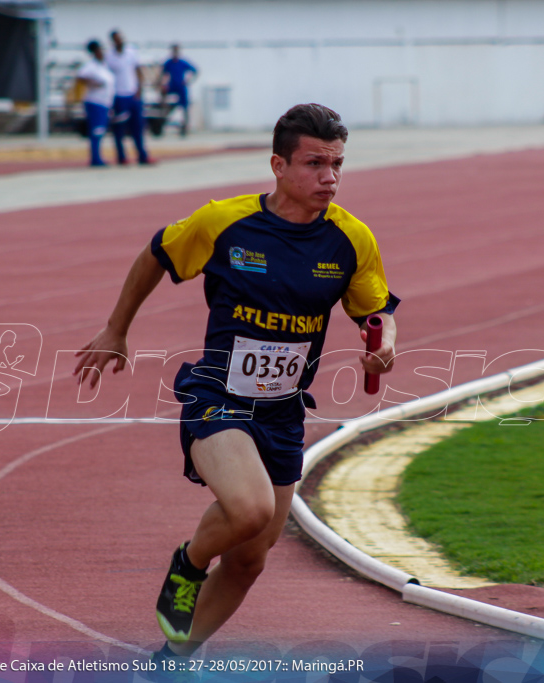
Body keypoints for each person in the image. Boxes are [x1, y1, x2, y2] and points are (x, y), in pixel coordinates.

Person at [73, 103, 399, 664]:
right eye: (314, 163)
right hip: (218, 396)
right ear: (278, 165)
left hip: (283, 410)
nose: (330, 177)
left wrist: (384, 342)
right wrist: (115, 328)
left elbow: (376, 310)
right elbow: (157, 252)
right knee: (247, 511)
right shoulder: (223, 222)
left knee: (251, 558)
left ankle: (173, 661)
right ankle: (189, 564)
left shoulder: (352, 239)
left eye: (338, 164)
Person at [106, 29, 152, 165]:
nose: (120, 41)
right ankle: (121, 156)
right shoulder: (109, 56)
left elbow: (138, 70)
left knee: (138, 126)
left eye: (121, 38)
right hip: (118, 96)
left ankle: (142, 155)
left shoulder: (131, 52)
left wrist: (140, 88)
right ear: (113, 41)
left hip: (133, 94)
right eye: (117, 39)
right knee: (119, 128)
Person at [76, 40, 114, 166]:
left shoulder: (103, 65)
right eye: (99, 50)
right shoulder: (90, 66)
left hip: (104, 102)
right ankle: (95, 158)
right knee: (96, 131)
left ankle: (97, 156)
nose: (101, 53)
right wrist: (93, 83)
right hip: (95, 101)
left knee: (101, 131)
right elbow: (80, 77)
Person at [160, 44, 197, 136]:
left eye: (176, 51)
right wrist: (162, 84)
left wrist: (188, 80)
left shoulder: (182, 62)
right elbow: (162, 74)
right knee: (163, 94)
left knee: (185, 107)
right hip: (172, 85)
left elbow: (195, 70)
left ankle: (185, 126)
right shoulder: (168, 63)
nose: (175, 53)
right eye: (173, 51)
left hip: (181, 86)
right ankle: (162, 112)